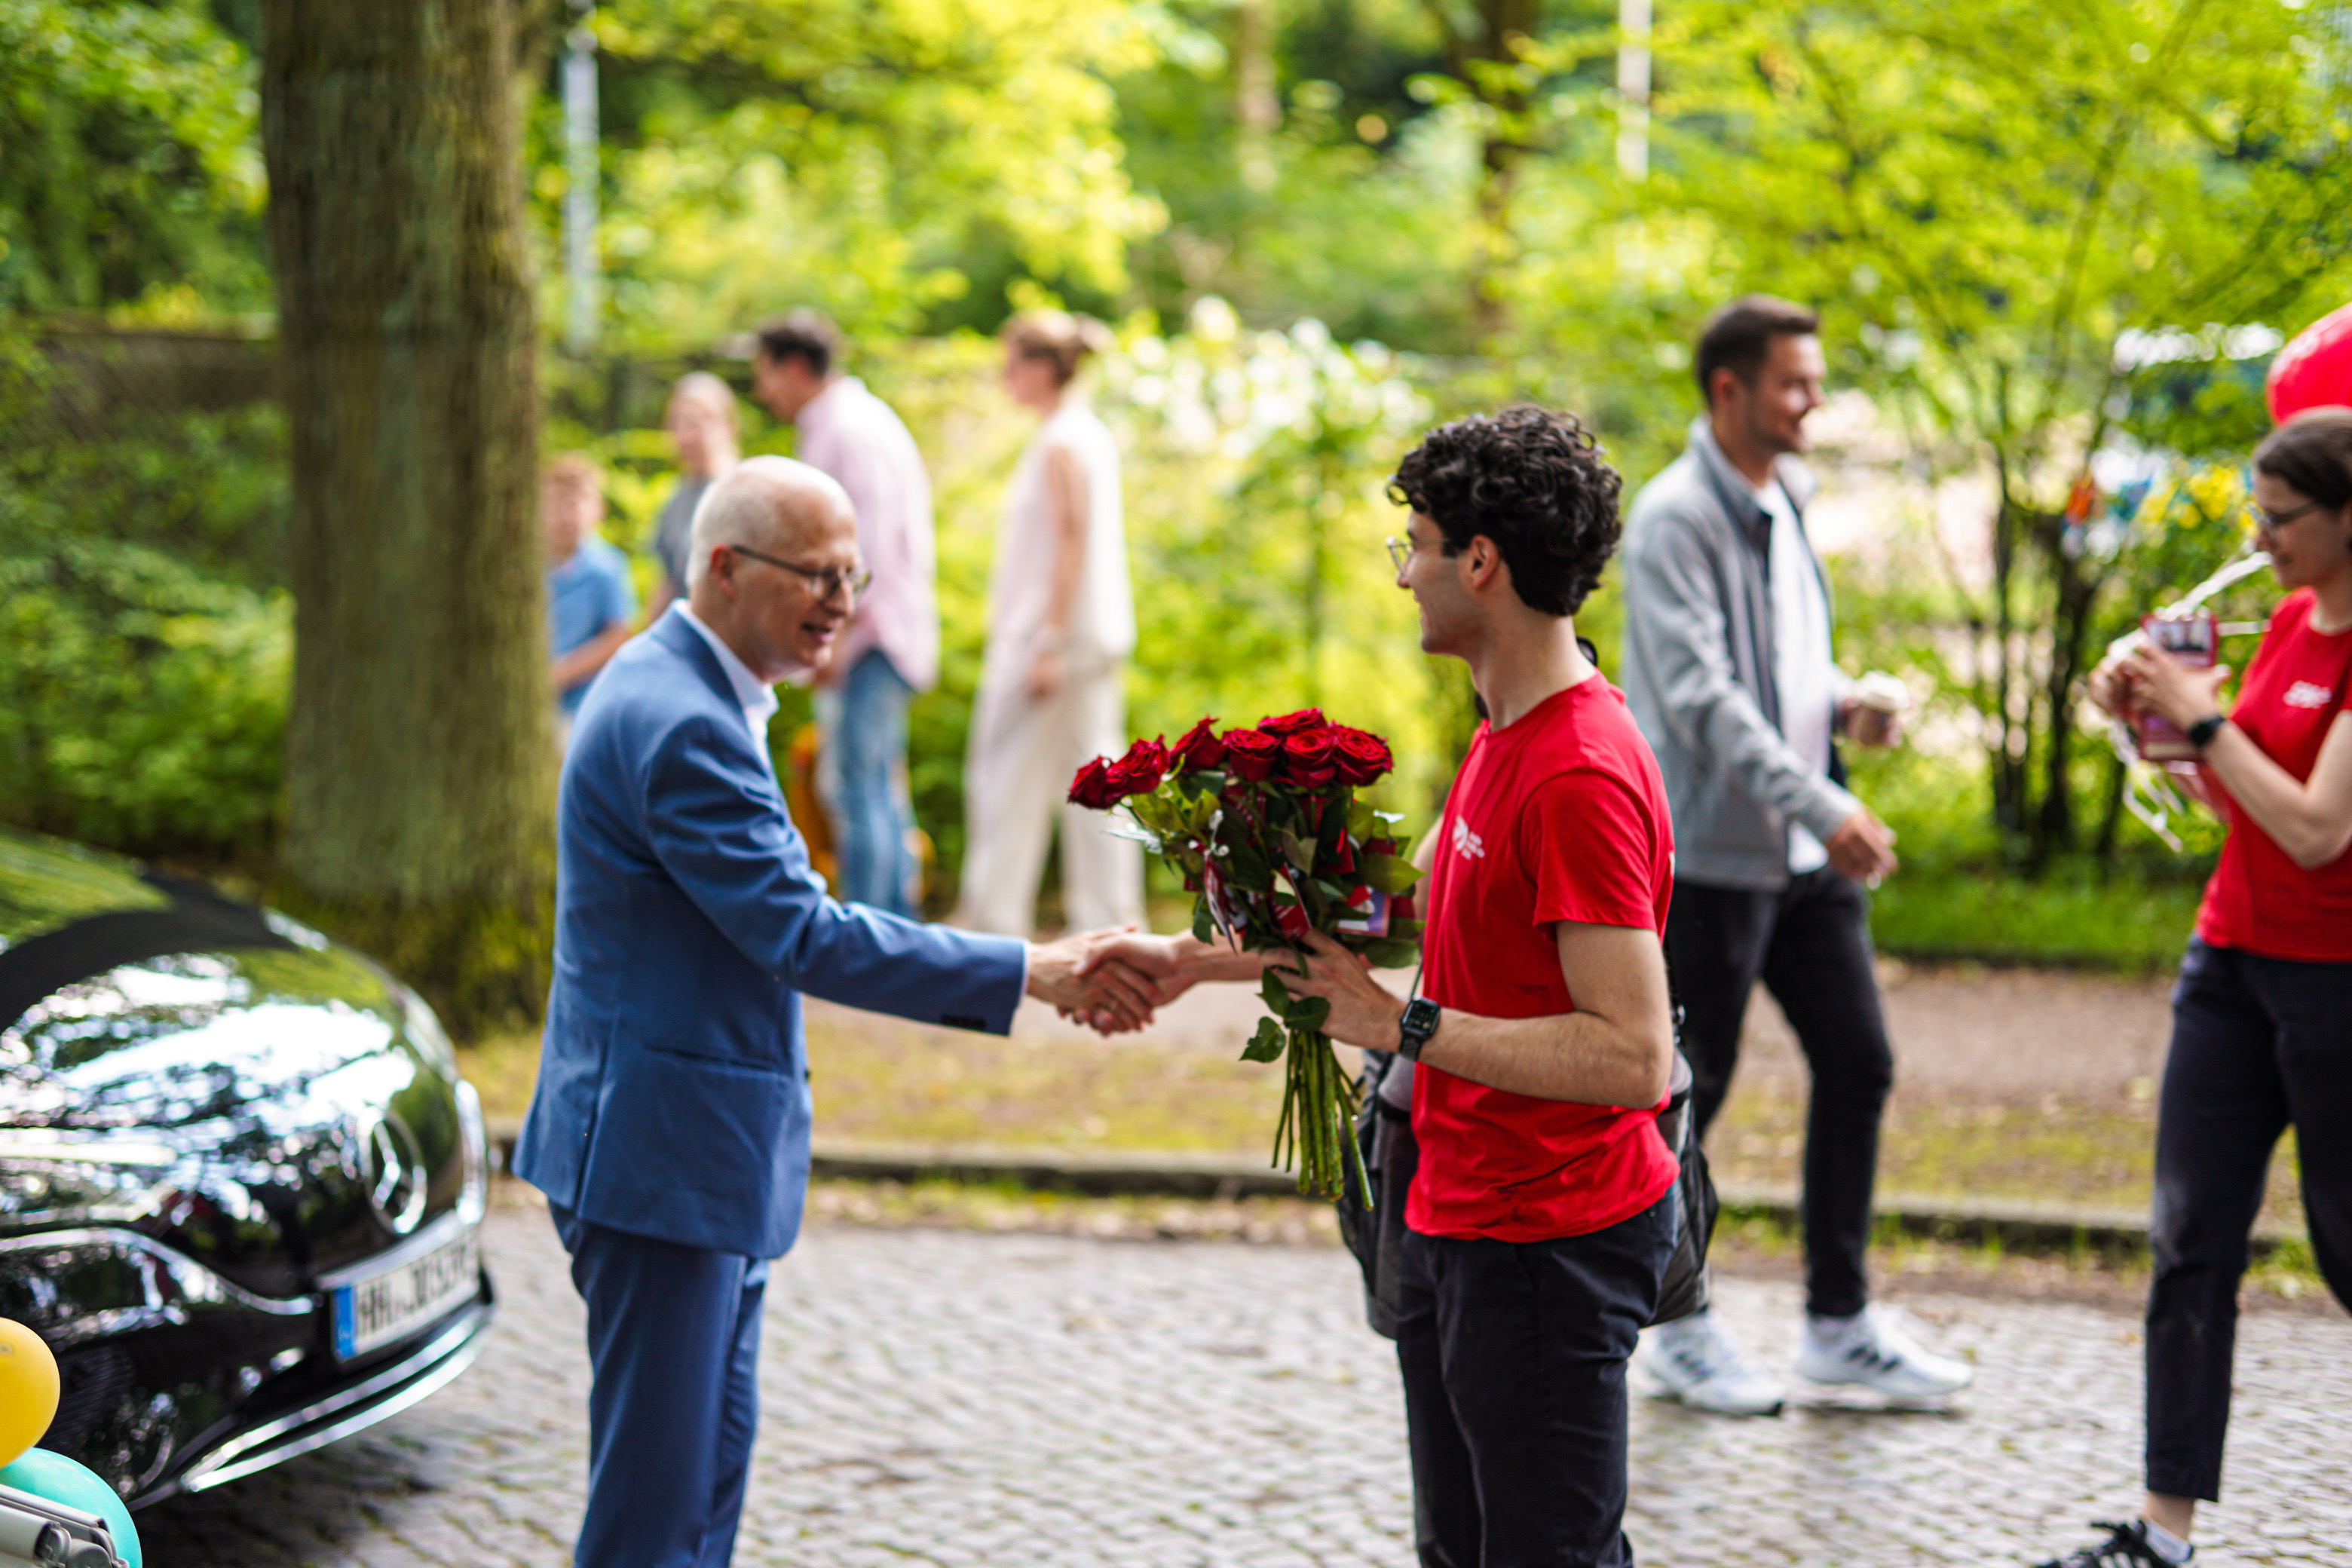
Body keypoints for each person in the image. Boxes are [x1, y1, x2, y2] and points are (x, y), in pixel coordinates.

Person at [510, 455, 1160, 1568]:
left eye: (854, 577)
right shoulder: (685, 722)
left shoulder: (686, 684)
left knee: (703, 1486)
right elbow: (803, 935)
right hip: (661, 1163)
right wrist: (1034, 971)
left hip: (688, 1155)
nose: (845, 606)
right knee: (655, 1517)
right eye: (817, 576)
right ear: (722, 567)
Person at [1092, 407, 1685, 1568]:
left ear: (1481, 561)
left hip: (1546, 1244)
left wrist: (1398, 1027)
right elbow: (1465, 956)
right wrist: (1201, 960)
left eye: (1413, 544)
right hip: (1460, 1217)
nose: (1403, 575)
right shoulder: (1504, 728)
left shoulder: (1575, 770)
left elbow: (1631, 1056)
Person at [1617, 294, 1971, 1414]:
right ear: (1729, 389)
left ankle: (1837, 1323)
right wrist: (1823, 803)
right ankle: (1672, 1326)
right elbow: (1705, 698)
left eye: (1813, 379)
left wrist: (1843, 703)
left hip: (1803, 857)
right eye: (1793, 383)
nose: (1813, 400)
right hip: (1719, 857)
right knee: (1685, 1096)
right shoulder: (1677, 518)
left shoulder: (1791, 497)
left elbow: (1774, 669)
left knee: (1859, 1062)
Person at [2036, 407, 2352, 1568]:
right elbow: (2243, 808)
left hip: (2337, 986)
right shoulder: (2285, 629)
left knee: (2344, 1247)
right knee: (2189, 1240)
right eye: (2256, 518)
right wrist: (2158, 724)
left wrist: (2202, 715)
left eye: (2281, 520)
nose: (2262, 541)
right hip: (2230, 968)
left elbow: (2319, 830)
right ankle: (2162, 1535)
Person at [953, 309, 1143, 936]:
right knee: (1095, 779)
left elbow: (1071, 540)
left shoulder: (1063, 440)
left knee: (1005, 776)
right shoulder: (1082, 433)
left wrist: (1048, 640)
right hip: (1088, 639)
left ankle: (992, 920)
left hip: (1054, 641)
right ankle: (1110, 920)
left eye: (1010, 364)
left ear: (1040, 368)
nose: (1004, 377)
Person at [749, 311, 939, 916]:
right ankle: (894, 930)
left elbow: (868, 546)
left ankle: (874, 932)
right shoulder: (859, 419)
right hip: (886, 632)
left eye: (766, 374)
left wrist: (832, 636)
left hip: (871, 638)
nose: (762, 391)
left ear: (797, 367)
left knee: (859, 788)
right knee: (877, 784)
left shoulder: (844, 430)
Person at [544, 452, 637, 750]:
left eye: (577, 503)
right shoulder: (527, 566)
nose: (567, 515)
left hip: (580, 704)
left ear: (598, 509)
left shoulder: (606, 567)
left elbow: (618, 635)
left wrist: (560, 673)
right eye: (557, 503)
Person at [649, 372, 742, 617]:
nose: (684, 436)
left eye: (695, 423)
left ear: (728, 426)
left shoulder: (745, 491)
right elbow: (668, 582)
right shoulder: (676, 499)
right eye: (676, 424)